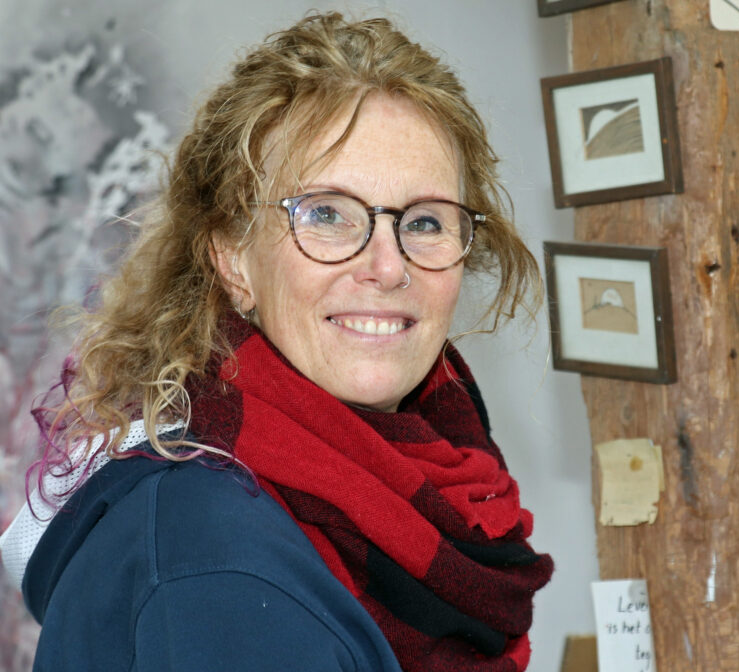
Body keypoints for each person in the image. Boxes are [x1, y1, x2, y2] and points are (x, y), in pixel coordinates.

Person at [0, 11, 553, 672]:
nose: (388, 266)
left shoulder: (438, 481)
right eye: (326, 213)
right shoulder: (213, 567)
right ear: (233, 257)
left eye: (425, 221)